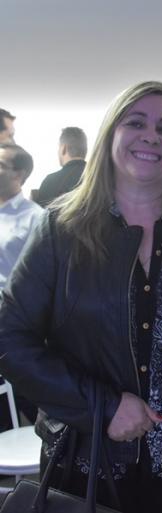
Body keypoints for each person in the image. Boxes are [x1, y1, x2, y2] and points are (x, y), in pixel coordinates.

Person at [0, 81, 162, 513]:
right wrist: (103, 407)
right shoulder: (61, 230)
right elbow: (9, 338)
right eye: (136, 123)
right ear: (110, 134)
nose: (151, 136)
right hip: (85, 465)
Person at [0, 142, 42, 430]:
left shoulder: (34, 218)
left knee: (24, 401)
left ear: (20, 174)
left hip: (14, 324)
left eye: (1, 165)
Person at [36, 126, 88, 207]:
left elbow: (41, 214)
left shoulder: (50, 181)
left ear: (63, 148)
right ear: (85, 150)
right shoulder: (101, 177)